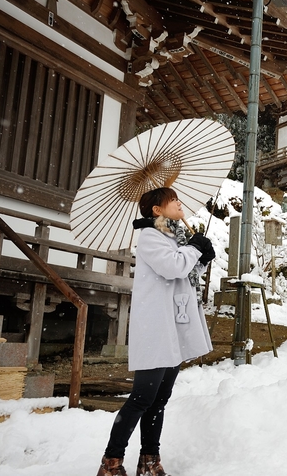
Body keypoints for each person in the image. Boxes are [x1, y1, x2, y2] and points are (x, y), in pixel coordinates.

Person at [98, 187, 216, 476]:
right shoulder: (151, 236)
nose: (179, 203)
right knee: (142, 398)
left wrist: (201, 258)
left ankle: (149, 461)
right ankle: (111, 463)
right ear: (157, 210)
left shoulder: (172, 236)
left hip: (171, 328)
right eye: (173, 200)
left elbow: (185, 274)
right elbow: (171, 267)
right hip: (156, 327)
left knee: (159, 400)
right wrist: (193, 248)